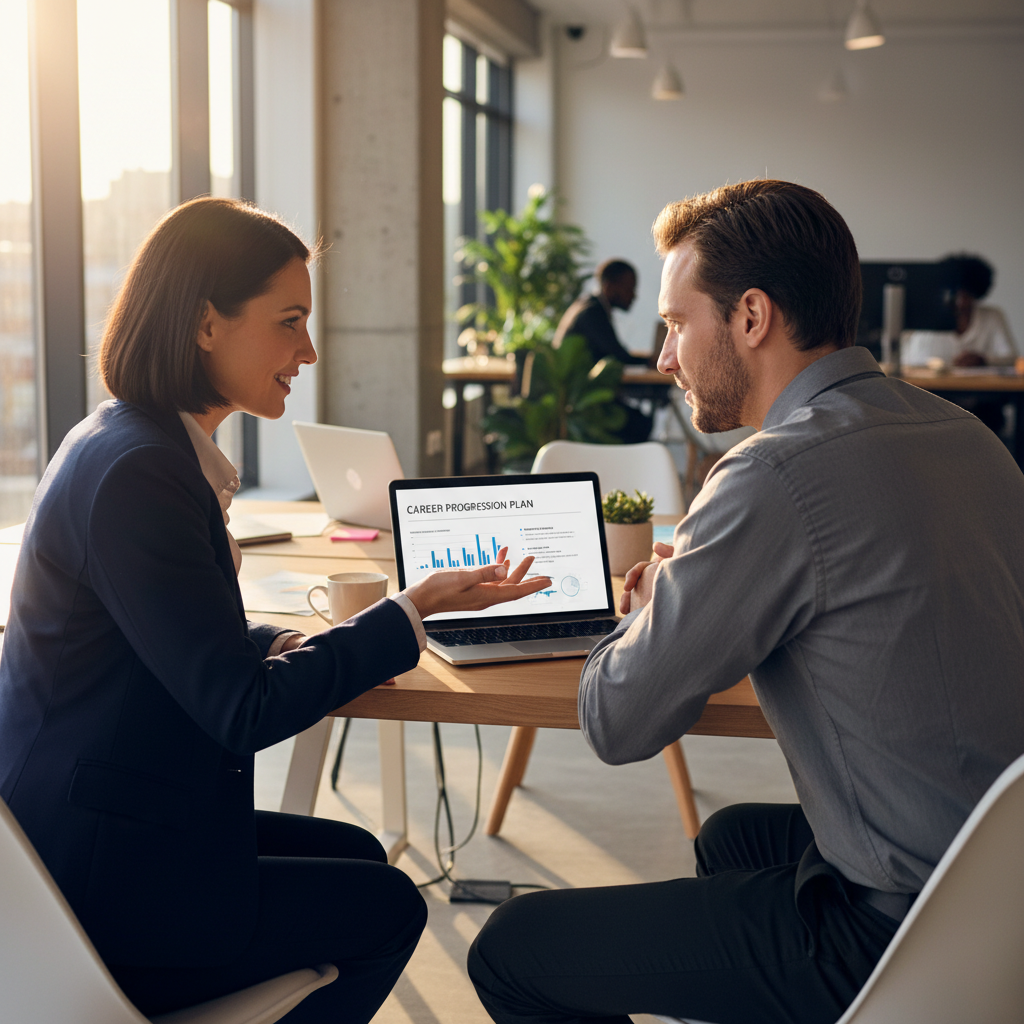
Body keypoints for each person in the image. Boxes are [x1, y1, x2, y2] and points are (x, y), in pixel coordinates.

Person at [467, 181, 1024, 1024]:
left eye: (675, 323)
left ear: (753, 317)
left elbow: (618, 722)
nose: (665, 357)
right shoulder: (964, 435)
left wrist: (653, 607)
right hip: (997, 878)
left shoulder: (774, 471)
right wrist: (710, 582)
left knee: (515, 949)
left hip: (910, 930)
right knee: (733, 837)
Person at [0, 198, 552, 1021]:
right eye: (289, 322)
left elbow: (162, 633)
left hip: (106, 822)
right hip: (93, 887)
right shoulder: (142, 473)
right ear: (205, 324)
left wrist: (276, 638)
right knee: (388, 908)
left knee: (359, 854)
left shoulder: (130, 441)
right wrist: (407, 614)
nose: (309, 350)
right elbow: (242, 710)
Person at [554, 259, 653, 443]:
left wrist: (647, 359)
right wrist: (650, 361)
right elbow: (618, 355)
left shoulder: (588, 305)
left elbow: (615, 352)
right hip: (582, 406)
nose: (633, 296)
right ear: (610, 286)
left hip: (578, 400)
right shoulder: (592, 313)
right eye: (629, 288)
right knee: (640, 424)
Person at [902, 254, 1018, 368]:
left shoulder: (992, 317)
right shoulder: (927, 317)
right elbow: (912, 361)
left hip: (979, 381)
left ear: (977, 293)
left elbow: (1011, 358)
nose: (960, 302)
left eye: (967, 295)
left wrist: (983, 360)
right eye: (955, 295)